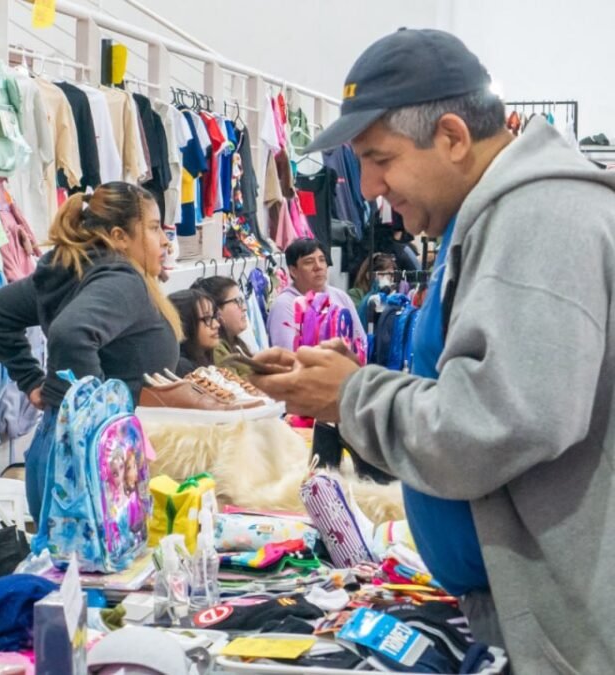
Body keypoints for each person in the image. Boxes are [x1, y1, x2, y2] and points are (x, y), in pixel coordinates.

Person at [249, 28, 615, 670]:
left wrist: (352, 395)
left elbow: (505, 421)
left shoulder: (541, 221)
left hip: (573, 627)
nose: (367, 186)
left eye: (380, 159)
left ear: (451, 137)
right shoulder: (489, 217)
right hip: (534, 614)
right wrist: (353, 381)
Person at [0, 182, 181, 522]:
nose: (165, 240)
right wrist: (92, 419)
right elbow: (71, 333)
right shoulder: (122, 280)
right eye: (153, 227)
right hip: (87, 465)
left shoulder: (74, 271)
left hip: (61, 453)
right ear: (119, 236)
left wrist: (34, 382)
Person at [266, 238, 366, 353]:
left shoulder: (340, 297)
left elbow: (360, 341)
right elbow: (288, 355)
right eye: (309, 262)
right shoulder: (284, 305)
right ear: (293, 271)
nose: (318, 267)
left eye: (322, 260)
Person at [191, 276, 257, 377]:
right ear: (216, 310)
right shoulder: (217, 350)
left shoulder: (236, 343)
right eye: (237, 301)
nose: (244, 307)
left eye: (242, 300)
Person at [168, 288, 220, 376]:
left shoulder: (200, 359)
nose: (216, 325)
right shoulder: (182, 367)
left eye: (214, 316)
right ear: (185, 325)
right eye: (207, 318)